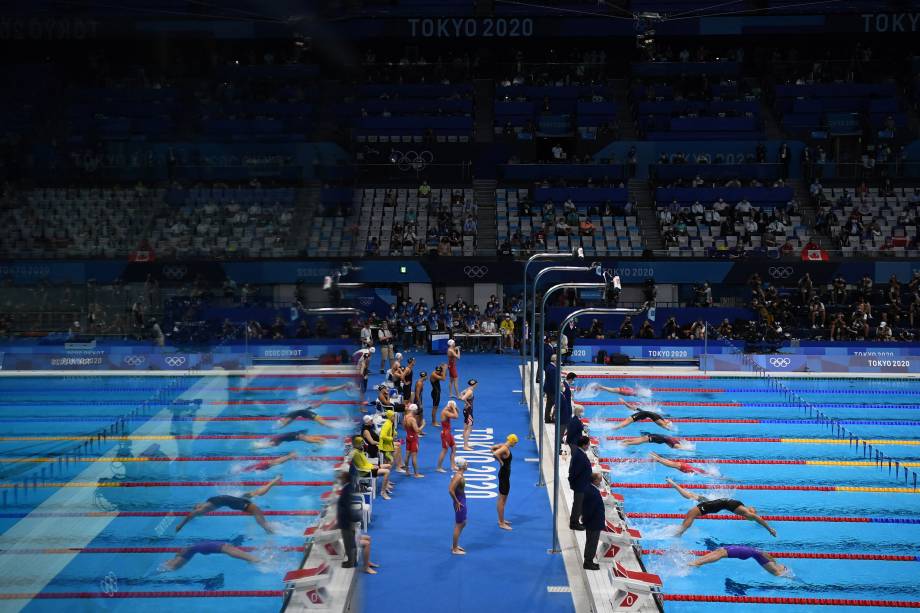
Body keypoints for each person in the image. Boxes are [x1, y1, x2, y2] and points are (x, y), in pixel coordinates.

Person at [666, 477, 777, 537]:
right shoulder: (742, 508)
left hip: (716, 505)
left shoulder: (743, 509)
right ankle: (675, 486)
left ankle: (679, 533)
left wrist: (769, 529)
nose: (751, 515)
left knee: (692, 513)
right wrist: (769, 528)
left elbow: (758, 518)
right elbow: (756, 517)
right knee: (693, 497)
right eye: (752, 512)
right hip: (716, 503)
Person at [175, 476, 282, 534]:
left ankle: (269, 530)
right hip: (234, 499)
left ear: (199, 507)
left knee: (258, 516)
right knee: (255, 493)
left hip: (237, 503)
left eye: (200, 511)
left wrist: (180, 525)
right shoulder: (210, 501)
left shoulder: (206, 507)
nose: (201, 513)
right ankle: (273, 481)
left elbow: (192, 514)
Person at [336, 470, 379, 574]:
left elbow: (348, 509)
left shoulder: (347, 489)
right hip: (347, 524)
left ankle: (366, 563)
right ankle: (365, 567)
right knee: (366, 543)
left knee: (366, 539)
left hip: (347, 524)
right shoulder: (348, 488)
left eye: (340, 479)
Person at [689, 545, 789, 576]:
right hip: (743, 551)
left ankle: (697, 563)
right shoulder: (764, 556)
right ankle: (697, 563)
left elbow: (767, 556)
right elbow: (767, 556)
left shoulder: (764, 556)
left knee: (719, 553)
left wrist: (775, 562)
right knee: (719, 552)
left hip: (741, 550)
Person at [159, 541, 259, 571]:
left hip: (198, 547)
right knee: (172, 568)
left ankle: (167, 565)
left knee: (173, 567)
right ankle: (166, 566)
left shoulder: (227, 547)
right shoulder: (228, 547)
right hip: (198, 547)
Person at [491, 433, 518, 530]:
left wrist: (500, 460)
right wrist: (500, 461)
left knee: (502, 499)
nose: (515, 444)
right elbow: (494, 453)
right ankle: (501, 522)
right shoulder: (505, 448)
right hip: (504, 475)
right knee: (502, 500)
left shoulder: (503, 445)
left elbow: (492, 448)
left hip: (504, 474)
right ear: (512, 441)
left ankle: (501, 519)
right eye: (515, 443)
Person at [581, 472, 606, 570]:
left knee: (590, 542)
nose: (601, 482)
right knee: (592, 543)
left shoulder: (590, 488)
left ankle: (588, 561)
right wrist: (586, 521)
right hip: (593, 523)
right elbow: (589, 510)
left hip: (592, 522)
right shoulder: (593, 493)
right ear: (595, 481)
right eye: (600, 480)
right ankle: (588, 563)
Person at [568, 435, 592, 531]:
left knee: (580, 504)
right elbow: (574, 472)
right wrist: (573, 482)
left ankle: (577, 520)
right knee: (577, 505)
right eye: (588, 444)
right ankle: (574, 523)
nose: (589, 446)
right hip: (580, 485)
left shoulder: (579, 453)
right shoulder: (579, 456)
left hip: (582, 484)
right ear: (584, 445)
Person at [449, 457, 468, 555]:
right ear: (463, 465)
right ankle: (454, 548)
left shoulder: (459, 475)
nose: (467, 464)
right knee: (459, 524)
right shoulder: (458, 476)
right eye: (466, 463)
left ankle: (455, 545)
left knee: (463, 522)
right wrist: (456, 501)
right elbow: (450, 489)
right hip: (460, 501)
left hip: (461, 499)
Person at [436, 400, 460, 473]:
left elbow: (457, 412)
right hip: (445, 434)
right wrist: (453, 407)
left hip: (448, 433)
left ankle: (452, 466)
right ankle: (439, 467)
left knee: (454, 447)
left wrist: (454, 407)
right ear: (450, 406)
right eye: (452, 407)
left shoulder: (447, 409)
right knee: (444, 450)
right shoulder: (445, 412)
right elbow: (456, 416)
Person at [648, 452, 716, 477]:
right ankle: (657, 458)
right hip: (685, 467)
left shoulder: (703, 471)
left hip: (685, 466)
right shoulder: (704, 473)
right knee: (670, 464)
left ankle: (656, 456)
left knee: (670, 463)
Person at [379, 410, 404, 476]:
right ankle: (397, 467)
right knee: (396, 449)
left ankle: (400, 464)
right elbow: (382, 436)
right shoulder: (387, 424)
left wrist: (395, 433)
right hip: (384, 445)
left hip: (389, 442)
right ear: (389, 417)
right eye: (393, 416)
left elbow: (392, 431)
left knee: (399, 444)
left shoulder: (390, 422)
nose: (394, 417)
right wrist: (391, 438)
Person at [403, 404, 424, 478]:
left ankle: (407, 471)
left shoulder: (405, 416)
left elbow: (404, 427)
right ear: (414, 410)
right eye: (416, 410)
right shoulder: (412, 419)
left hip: (408, 436)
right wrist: (423, 425)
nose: (417, 411)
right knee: (414, 456)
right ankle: (416, 474)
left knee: (407, 455)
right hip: (413, 438)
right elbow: (417, 430)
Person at [609, 409, 673, 431]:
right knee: (628, 421)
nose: (668, 420)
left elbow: (662, 425)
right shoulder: (660, 419)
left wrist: (668, 428)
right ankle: (614, 427)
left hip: (642, 414)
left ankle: (614, 427)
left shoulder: (660, 420)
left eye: (668, 421)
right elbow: (662, 425)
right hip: (642, 414)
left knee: (628, 421)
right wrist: (669, 428)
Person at [255, 430, 326, 449]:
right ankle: (322, 439)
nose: (277, 445)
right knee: (308, 438)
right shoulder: (278, 438)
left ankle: (321, 442)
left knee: (309, 441)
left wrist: (260, 446)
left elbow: (272, 444)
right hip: (295, 434)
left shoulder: (276, 439)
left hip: (295, 435)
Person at [460, 378, 477, 451]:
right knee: (469, 429)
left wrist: (466, 403)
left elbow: (461, 394)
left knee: (465, 427)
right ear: (475, 384)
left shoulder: (467, 389)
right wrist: (468, 404)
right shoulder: (470, 391)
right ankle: (465, 446)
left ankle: (465, 444)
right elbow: (463, 398)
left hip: (466, 410)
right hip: (469, 411)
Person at [619, 431, 684, 448]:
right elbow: (676, 447)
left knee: (639, 439)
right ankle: (626, 443)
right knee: (640, 441)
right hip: (655, 437)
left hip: (654, 435)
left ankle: (625, 440)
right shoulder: (675, 444)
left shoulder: (671, 439)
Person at [543, 354, 558, 424]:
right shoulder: (553, 369)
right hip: (552, 390)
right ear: (555, 361)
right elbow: (553, 381)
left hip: (548, 389)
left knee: (549, 405)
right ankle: (554, 418)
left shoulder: (549, 366)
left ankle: (547, 418)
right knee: (557, 404)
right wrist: (556, 390)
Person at [413, 370, 427, 435]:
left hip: (418, 399)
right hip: (417, 401)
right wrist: (419, 403)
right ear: (425, 376)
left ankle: (419, 430)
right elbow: (417, 394)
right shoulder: (419, 383)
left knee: (421, 415)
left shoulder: (421, 382)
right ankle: (416, 431)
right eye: (427, 376)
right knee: (417, 416)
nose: (427, 377)